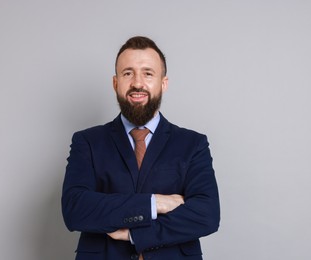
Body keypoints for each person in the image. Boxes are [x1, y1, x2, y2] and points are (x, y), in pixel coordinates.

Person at [62, 36, 220, 260]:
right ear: (116, 83)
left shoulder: (193, 144)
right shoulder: (87, 142)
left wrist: (136, 234)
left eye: (148, 73)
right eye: (128, 73)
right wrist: (155, 203)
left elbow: (207, 214)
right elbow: (75, 209)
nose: (137, 83)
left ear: (163, 83)